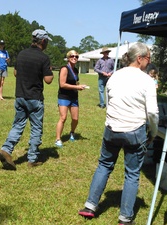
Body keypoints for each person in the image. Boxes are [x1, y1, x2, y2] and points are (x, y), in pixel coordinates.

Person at [78, 42, 159, 225]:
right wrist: (153, 132)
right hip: (134, 131)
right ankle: (125, 217)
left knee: (104, 165)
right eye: (148, 58)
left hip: (112, 129)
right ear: (139, 59)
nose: (149, 62)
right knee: (132, 174)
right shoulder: (146, 80)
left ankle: (90, 206)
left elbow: (108, 100)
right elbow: (152, 113)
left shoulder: (114, 76)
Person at [0, 29, 54, 170]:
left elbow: (15, 73)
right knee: (36, 128)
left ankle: (6, 149)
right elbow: (48, 80)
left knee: (18, 125)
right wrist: (49, 70)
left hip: (20, 95)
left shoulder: (21, 54)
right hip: (35, 98)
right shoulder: (43, 58)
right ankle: (32, 159)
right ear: (43, 41)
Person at [55, 50, 87, 148]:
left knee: (75, 119)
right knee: (63, 118)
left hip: (74, 97)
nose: (74, 58)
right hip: (64, 96)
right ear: (68, 58)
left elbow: (75, 82)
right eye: (72, 56)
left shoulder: (76, 70)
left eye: (76, 56)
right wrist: (77, 87)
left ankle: (72, 133)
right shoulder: (64, 69)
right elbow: (62, 84)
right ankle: (58, 139)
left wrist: (80, 86)